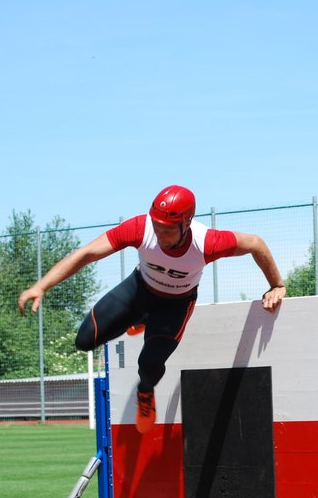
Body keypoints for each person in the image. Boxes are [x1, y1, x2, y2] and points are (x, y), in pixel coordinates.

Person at [18, 184, 287, 433]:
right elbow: (87, 253)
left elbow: (255, 244)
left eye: (168, 229)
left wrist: (276, 284)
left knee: (149, 363)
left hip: (176, 304)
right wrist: (41, 286)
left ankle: (145, 392)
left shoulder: (206, 243)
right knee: (84, 340)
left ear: (186, 223)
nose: (159, 234)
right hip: (138, 291)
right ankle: (142, 319)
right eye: (157, 226)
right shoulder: (140, 228)